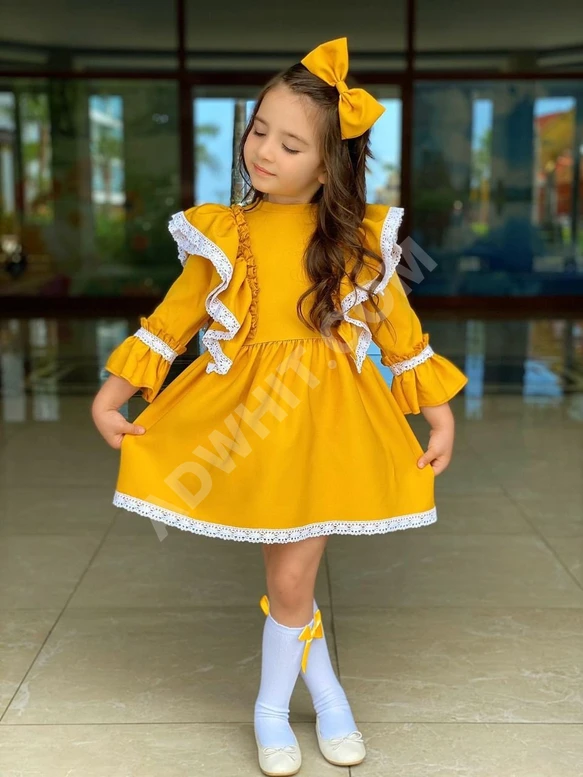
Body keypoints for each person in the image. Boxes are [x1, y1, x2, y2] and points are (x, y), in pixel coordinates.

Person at [92, 37, 468, 777]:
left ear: (329, 166)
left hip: (329, 425)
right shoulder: (224, 233)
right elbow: (172, 322)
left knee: (291, 580)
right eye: (259, 129)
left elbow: (398, 329)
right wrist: (113, 393)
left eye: (290, 144)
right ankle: (324, 697)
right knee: (288, 581)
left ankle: (275, 708)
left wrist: (438, 412)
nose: (264, 151)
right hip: (249, 425)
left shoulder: (358, 242)